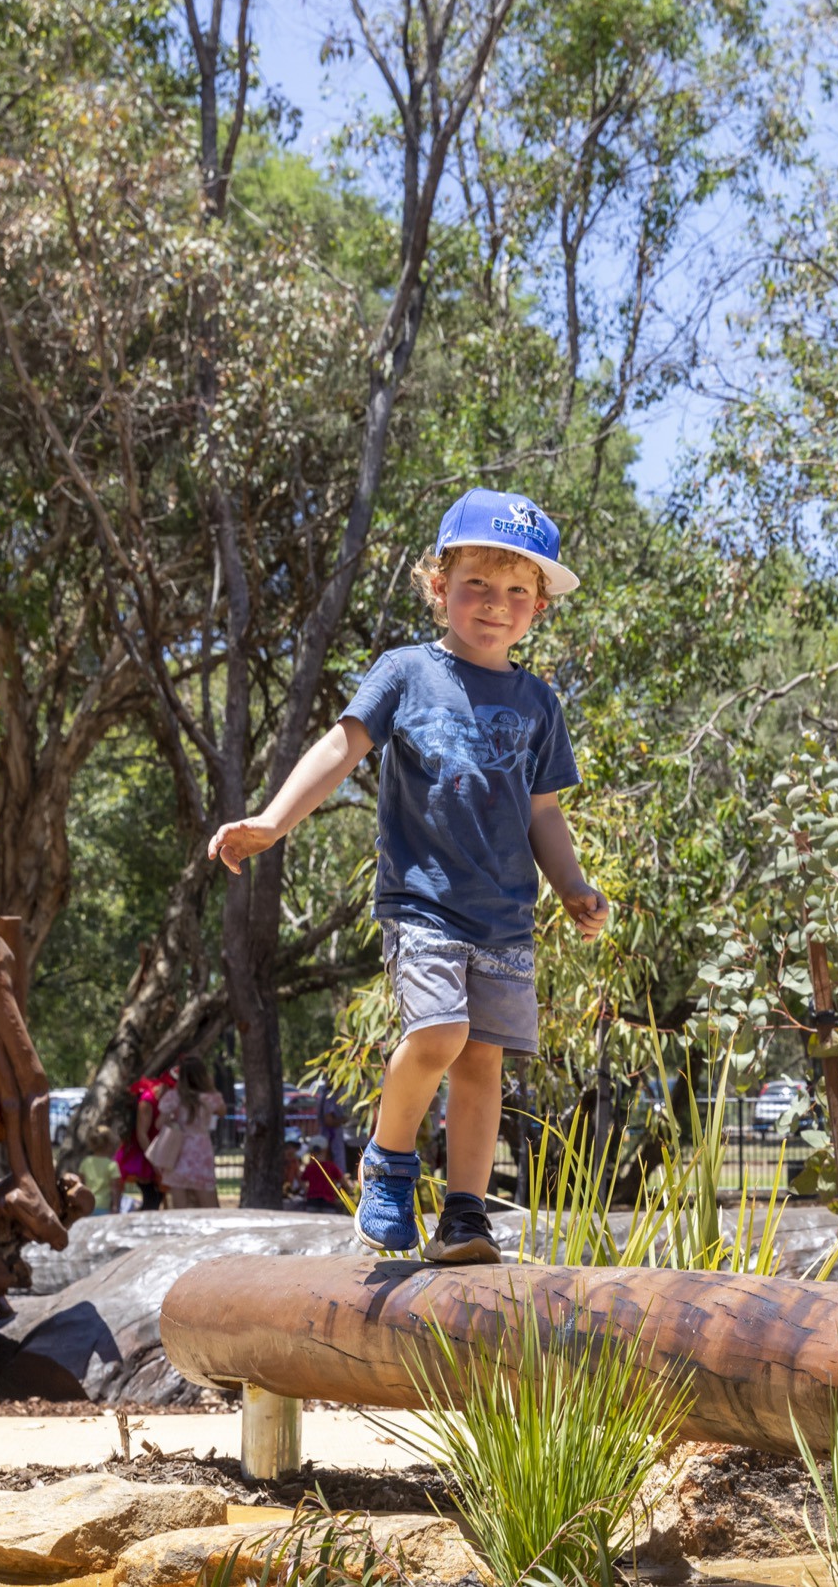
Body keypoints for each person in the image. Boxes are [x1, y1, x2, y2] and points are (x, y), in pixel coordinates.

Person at [207, 489, 609, 1263]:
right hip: (424, 903)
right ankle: (390, 1165)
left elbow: (544, 814)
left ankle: (464, 1214)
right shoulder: (405, 673)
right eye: (477, 586)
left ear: (538, 609)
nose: (496, 605)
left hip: (505, 915)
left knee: (483, 1060)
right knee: (439, 1031)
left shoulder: (537, 702)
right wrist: (272, 821)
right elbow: (337, 749)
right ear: (438, 588)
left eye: (516, 591)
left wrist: (573, 885)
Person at [155, 1055, 227, 1209]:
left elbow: (159, 1123)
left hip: (177, 1154)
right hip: (201, 1154)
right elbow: (222, 1111)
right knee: (209, 1207)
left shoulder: (173, 1097)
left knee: (181, 1208)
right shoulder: (210, 1098)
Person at [120, 1067, 175, 1210]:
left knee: (158, 1197)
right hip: (146, 1154)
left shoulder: (169, 1101)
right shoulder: (148, 1100)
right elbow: (141, 1134)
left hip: (159, 1151)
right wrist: (154, 1161)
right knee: (152, 1198)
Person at [77, 1128, 120, 1217]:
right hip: (104, 1208)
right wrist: (115, 1206)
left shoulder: (86, 1162)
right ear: (109, 1145)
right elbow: (115, 1189)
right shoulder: (112, 1165)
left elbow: (80, 1184)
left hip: (87, 1206)